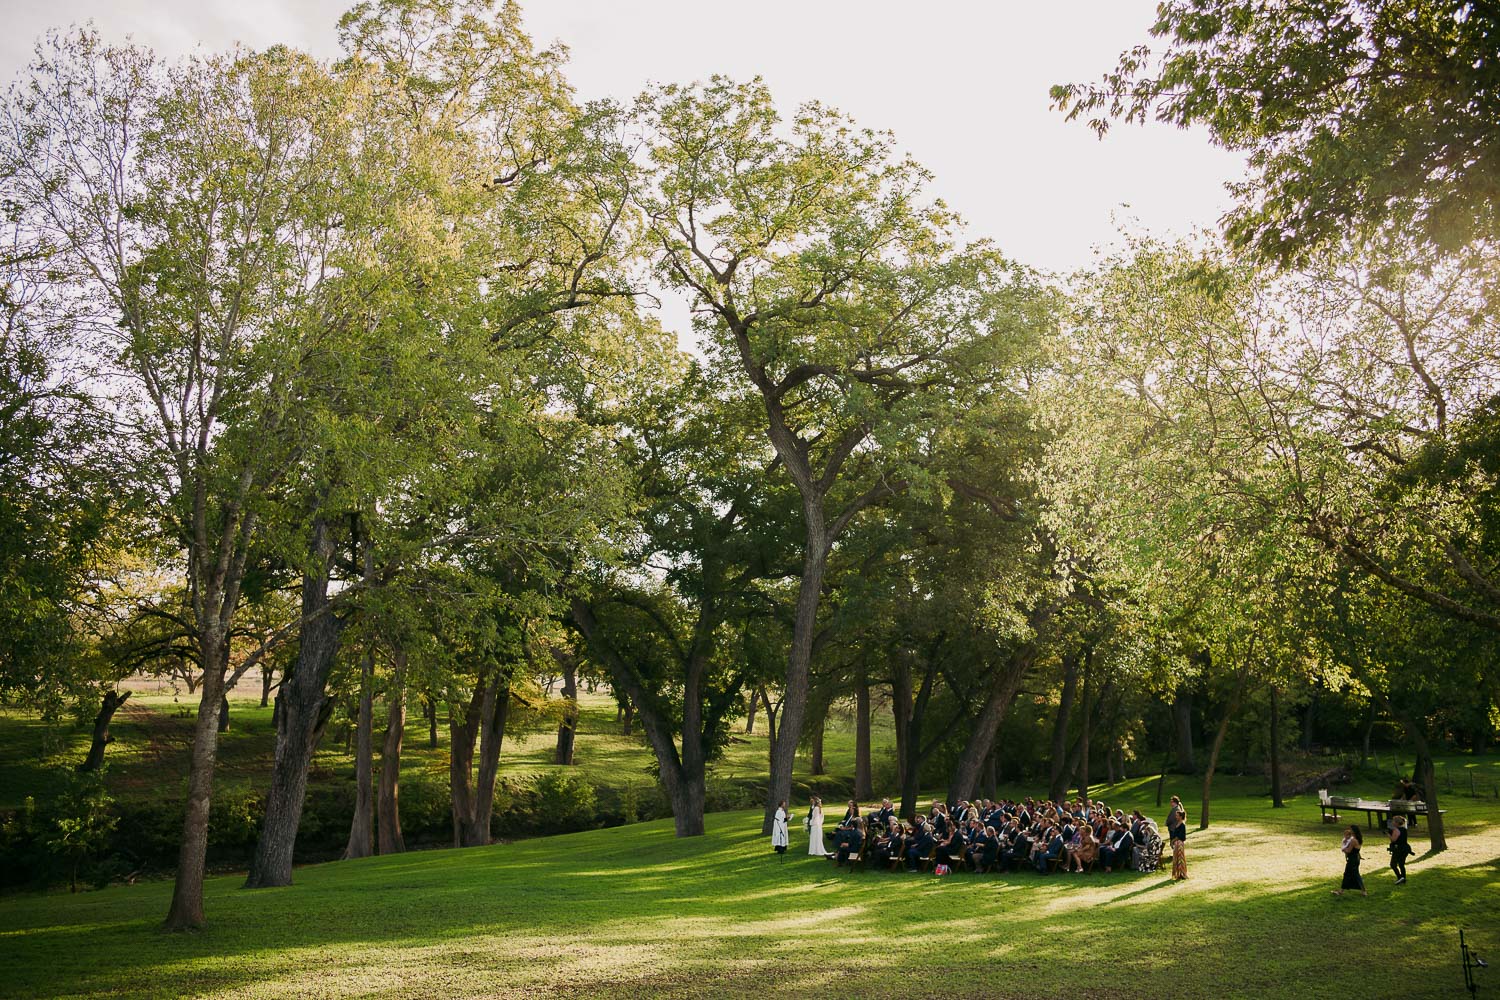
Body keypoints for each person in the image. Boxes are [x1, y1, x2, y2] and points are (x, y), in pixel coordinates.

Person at [1333, 825, 1366, 897]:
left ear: (1354, 831)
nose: (1349, 831)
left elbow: (1348, 851)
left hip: (1352, 859)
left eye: (1351, 829)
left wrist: (1343, 848)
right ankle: (1342, 890)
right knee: (1351, 874)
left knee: (1351, 874)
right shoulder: (1358, 839)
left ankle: (1363, 891)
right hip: (1356, 859)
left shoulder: (1353, 840)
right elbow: (1357, 851)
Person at [1388, 816, 1412, 885]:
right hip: (1405, 848)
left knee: (1393, 864)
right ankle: (1403, 878)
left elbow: (1393, 840)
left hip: (1398, 849)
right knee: (1401, 864)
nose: (1392, 822)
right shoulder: (1404, 829)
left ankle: (1399, 877)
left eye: (1393, 821)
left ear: (1396, 823)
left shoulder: (1396, 830)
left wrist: (1388, 835)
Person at [1168, 810, 1188, 881]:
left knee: (1180, 859)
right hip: (1176, 843)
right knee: (1176, 859)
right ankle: (1177, 873)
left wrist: (1173, 840)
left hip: (1179, 843)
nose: (1176, 817)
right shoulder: (1178, 823)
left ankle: (1182, 873)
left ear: (1181, 816)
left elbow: (1181, 836)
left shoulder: (1182, 825)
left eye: (1177, 815)